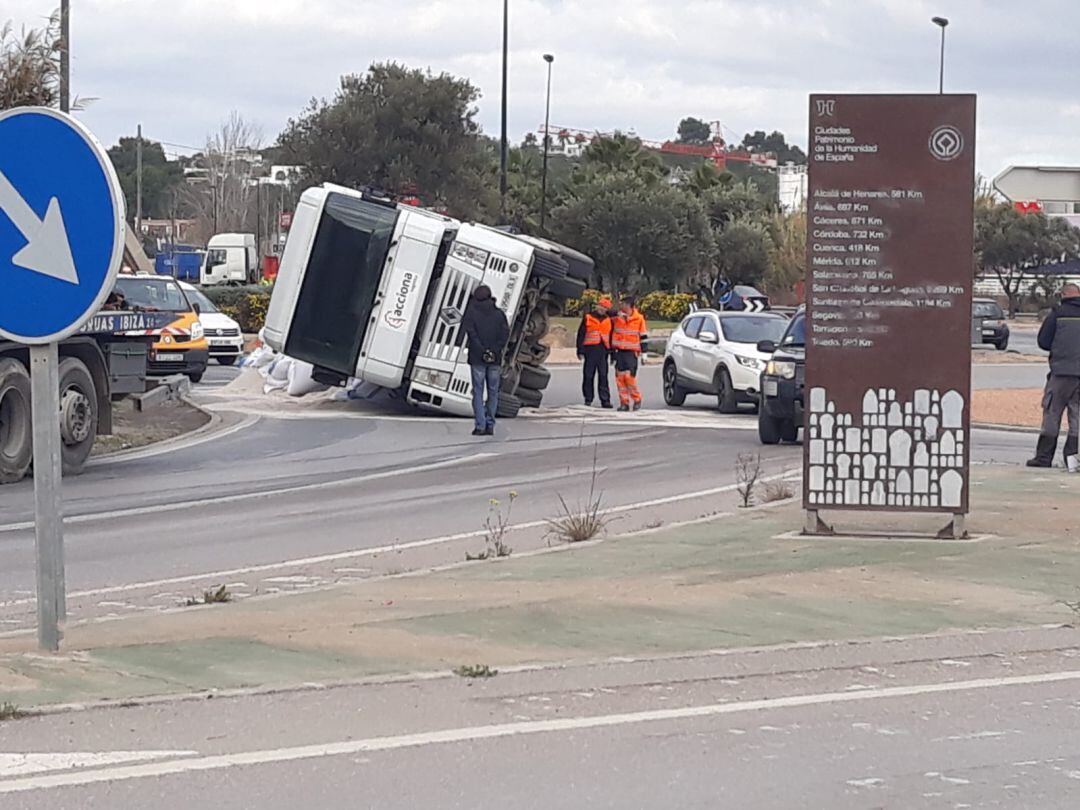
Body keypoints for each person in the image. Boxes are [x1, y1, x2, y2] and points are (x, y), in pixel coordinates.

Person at [1027, 283, 1080, 468]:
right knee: (1076, 417)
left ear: (1063, 294)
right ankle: (1072, 459)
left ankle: (1043, 458)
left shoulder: (1057, 314)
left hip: (1060, 373)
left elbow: (1043, 341)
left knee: (1052, 413)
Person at [461, 285, 510, 437]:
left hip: (477, 357)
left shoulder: (471, 313)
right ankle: (490, 424)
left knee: (477, 391)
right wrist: (494, 350)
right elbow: (504, 334)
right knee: (493, 392)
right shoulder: (499, 314)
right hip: (494, 359)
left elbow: (470, 333)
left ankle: (480, 425)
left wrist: (482, 350)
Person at [611, 295, 648, 412]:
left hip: (631, 353)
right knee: (620, 379)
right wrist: (617, 313)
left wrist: (644, 353)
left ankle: (637, 399)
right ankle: (624, 403)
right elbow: (606, 313)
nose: (622, 306)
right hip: (619, 352)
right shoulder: (617, 317)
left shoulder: (639, 319)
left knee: (629, 378)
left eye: (624, 304)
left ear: (630, 306)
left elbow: (643, 337)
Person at [577, 297, 614, 408]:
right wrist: (580, 350)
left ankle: (605, 400)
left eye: (605, 308)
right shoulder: (588, 317)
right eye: (601, 306)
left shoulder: (609, 320)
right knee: (588, 376)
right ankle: (588, 398)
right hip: (590, 350)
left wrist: (613, 354)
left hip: (603, 351)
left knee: (603, 376)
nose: (602, 309)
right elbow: (581, 335)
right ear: (597, 306)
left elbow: (611, 337)